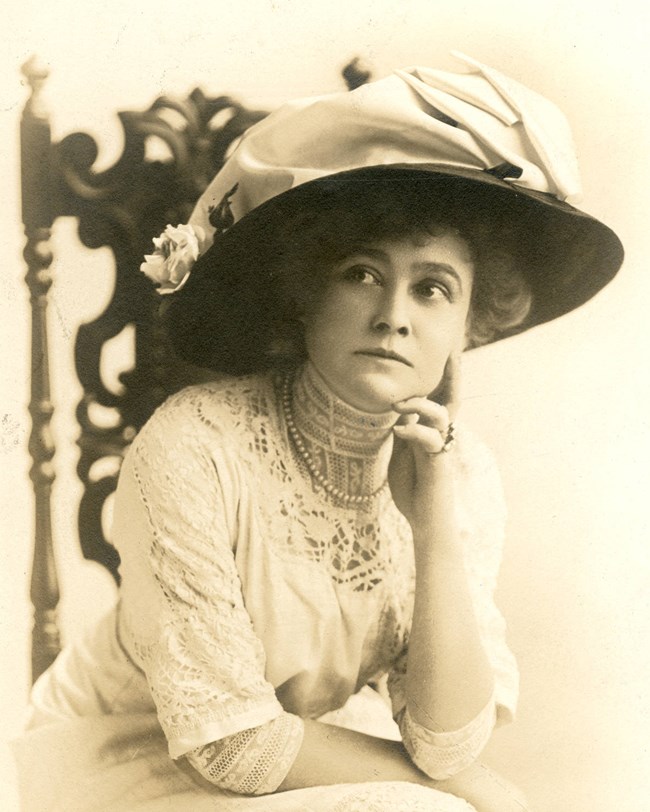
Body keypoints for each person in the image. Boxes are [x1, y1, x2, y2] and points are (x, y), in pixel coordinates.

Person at [14, 53, 623, 811]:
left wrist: (432, 521)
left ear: (467, 326)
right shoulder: (195, 444)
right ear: (305, 292)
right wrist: (469, 787)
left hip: (307, 742)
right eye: (362, 274)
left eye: (433, 289)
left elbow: (445, 741)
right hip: (131, 752)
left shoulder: (460, 473)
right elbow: (231, 747)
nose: (395, 314)